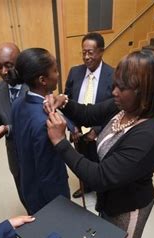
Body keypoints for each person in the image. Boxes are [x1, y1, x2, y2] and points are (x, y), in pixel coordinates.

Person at [45, 50, 154, 238]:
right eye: (115, 85)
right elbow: (90, 113)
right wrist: (65, 101)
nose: (114, 92)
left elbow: (99, 177)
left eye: (121, 88)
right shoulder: (124, 107)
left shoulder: (148, 135)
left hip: (129, 205)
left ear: (143, 92)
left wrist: (61, 143)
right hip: (111, 197)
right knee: (108, 237)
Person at [10, 48, 70, 215]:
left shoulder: (17, 104)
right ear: (43, 80)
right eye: (55, 70)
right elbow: (50, 175)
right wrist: (62, 207)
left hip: (28, 186)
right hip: (49, 200)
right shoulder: (46, 121)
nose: (58, 75)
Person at [64, 32, 114, 198]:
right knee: (81, 161)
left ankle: (102, 191)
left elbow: (116, 108)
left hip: (100, 133)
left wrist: (97, 130)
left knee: (100, 163)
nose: (86, 57)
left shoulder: (113, 75)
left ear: (101, 51)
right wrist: (72, 127)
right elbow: (66, 102)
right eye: (83, 52)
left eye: (90, 53)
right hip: (78, 132)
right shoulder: (74, 72)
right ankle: (85, 186)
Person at [0, 43, 28, 208]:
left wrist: (7, 129)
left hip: (37, 153)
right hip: (15, 155)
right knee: (23, 192)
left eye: (8, 66)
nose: (3, 71)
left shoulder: (36, 84)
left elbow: (36, 122)